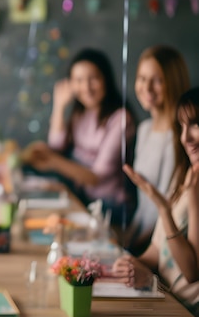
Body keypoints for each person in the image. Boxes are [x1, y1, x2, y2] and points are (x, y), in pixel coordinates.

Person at [75, 87, 199, 317]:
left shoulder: (193, 189)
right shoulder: (184, 179)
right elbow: (159, 251)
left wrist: (163, 208)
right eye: (182, 127)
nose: (187, 137)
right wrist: (125, 264)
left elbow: (191, 269)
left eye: (195, 125)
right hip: (170, 314)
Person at [21, 48, 136, 228]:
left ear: (106, 78)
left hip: (110, 207)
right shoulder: (81, 113)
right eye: (79, 80)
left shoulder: (120, 118)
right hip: (83, 198)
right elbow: (56, 145)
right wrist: (59, 106)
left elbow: (96, 178)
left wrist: (53, 161)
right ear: (71, 84)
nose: (86, 87)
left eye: (93, 78)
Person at [127, 46, 190, 254]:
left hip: (160, 248)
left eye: (157, 80)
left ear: (173, 83)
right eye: (142, 78)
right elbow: (144, 205)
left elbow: (164, 207)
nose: (147, 87)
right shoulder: (144, 129)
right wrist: (125, 239)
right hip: (139, 239)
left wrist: (134, 250)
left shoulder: (180, 136)